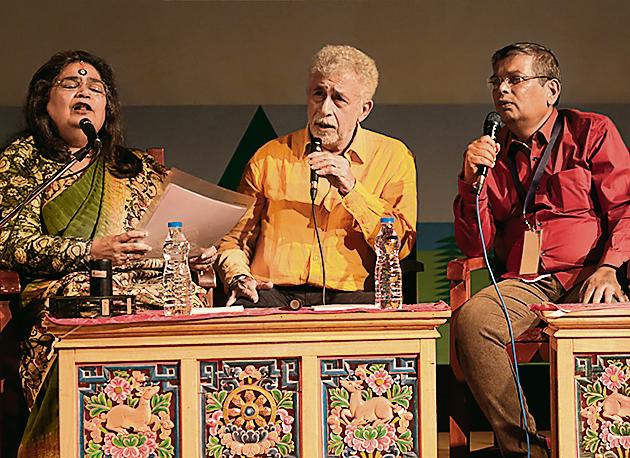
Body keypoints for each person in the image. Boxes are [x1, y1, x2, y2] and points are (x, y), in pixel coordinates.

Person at [0, 50, 215, 457]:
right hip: (70, 299)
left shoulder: (134, 166)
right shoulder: (24, 162)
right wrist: (89, 250)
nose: (85, 92)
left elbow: (174, 229)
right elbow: (9, 238)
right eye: (71, 84)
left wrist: (194, 251)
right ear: (45, 101)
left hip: (152, 295)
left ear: (107, 108)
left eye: (95, 88)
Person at [452, 42, 630, 457]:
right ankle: (526, 450)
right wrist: (470, 180)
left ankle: (605, 447)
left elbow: (625, 206)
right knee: (475, 319)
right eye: (497, 81)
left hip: (591, 274)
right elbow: (472, 242)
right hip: (527, 282)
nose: (502, 91)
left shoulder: (591, 131)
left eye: (515, 79)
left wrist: (610, 267)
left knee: (611, 325)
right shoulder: (492, 155)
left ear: (551, 91)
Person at [215, 44, 417, 308]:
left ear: (364, 109)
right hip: (272, 293)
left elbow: (399, 245)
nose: (324, 109)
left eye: (339, 99)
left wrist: (352, 188)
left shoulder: (393, 156)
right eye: (318, 94)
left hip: (352, 296)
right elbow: (234, 240)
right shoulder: (269, 157)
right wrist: (238, 276)